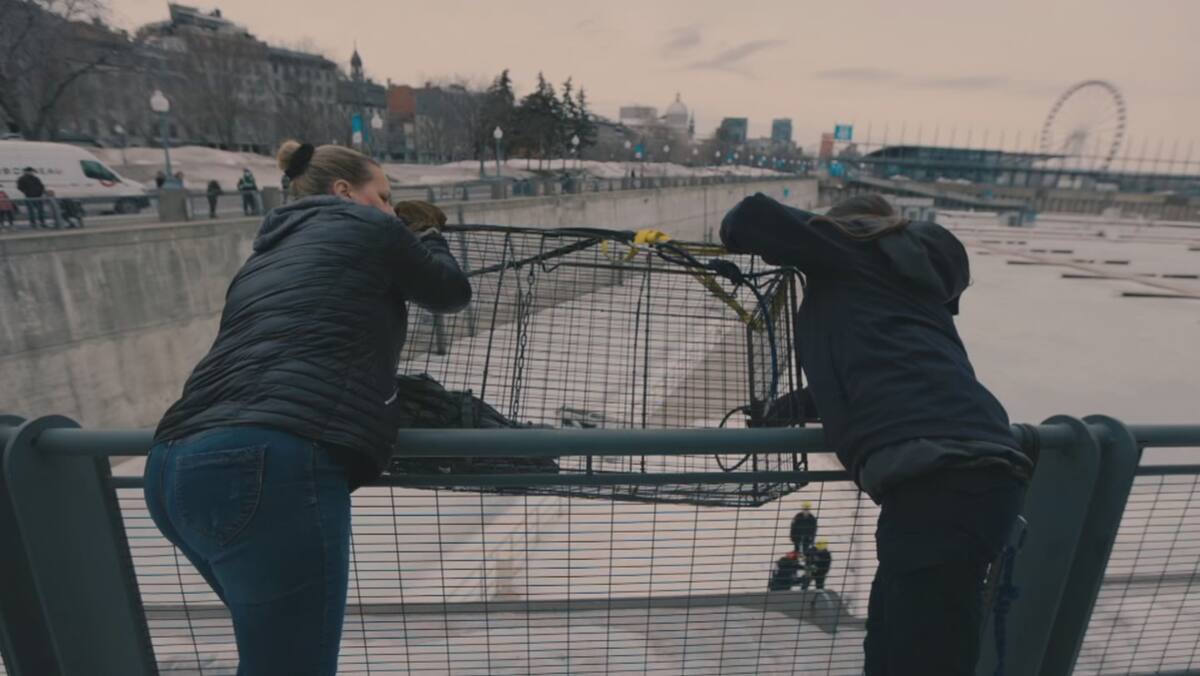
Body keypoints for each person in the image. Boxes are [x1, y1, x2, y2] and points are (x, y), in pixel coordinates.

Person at [143, 139, 472, 675]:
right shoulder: (369, 227)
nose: (390, 209)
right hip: (269, 463)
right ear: (344, 192)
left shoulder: (266, 253)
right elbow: (449, 291)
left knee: (276, 659)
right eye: (383, 196)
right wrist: (429, 234)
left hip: (170, 467)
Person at [721, 193, 1030, 675]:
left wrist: (834, 233)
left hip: (940, 480)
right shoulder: (900, 281)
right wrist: (787, 410)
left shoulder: (855, 255)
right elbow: (880, 371)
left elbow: (750, 217)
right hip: (959, 472)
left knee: (920, 654)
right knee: (893, 642)